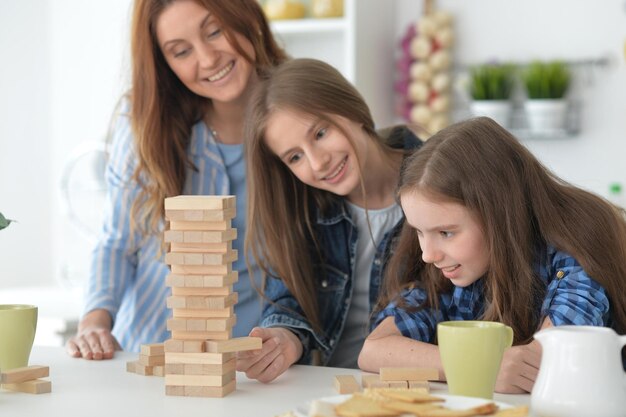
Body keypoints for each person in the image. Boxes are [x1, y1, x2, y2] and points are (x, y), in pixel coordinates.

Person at [65, 0, 288, 359]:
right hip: (151, 356)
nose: (208, 58)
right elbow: (117, 242)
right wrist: (94, 322)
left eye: (215, 31)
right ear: (165, 63)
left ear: (245, 15)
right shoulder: (144, 125)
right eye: (181, 51)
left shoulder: (301, 116)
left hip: (255, 365)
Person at [358, 117, 626, 393]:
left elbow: (549, 361)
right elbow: (374, 350)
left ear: (499, 214)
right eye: (419, 231)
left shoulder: (576, 240)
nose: (427, 254)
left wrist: (484, 367)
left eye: (446, 233)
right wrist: (481, 366)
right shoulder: (448, 269)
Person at [236, 58, 424, 383]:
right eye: (295, 157)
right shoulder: (305, 213)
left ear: (348, 107)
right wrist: (285, 338)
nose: (318, 162)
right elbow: (289, 301)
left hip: (421, 388)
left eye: (320, 133)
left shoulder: (442, 183)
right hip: (328, 391)